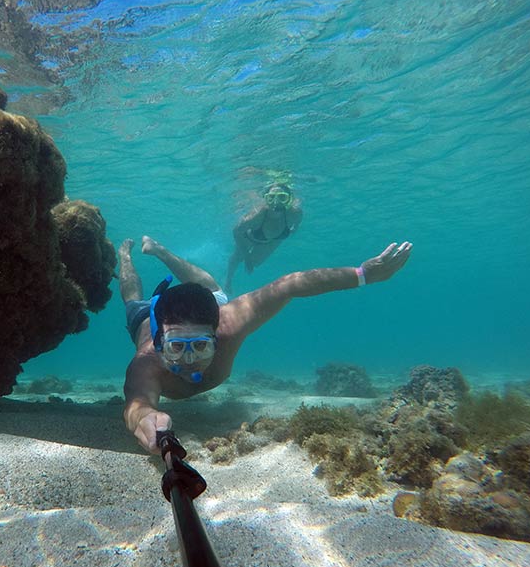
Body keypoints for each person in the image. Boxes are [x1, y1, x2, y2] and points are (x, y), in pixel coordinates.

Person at [119, 235, 412, 453]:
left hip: (210, 307)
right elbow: (137, 404)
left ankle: (161, 251)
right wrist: (145, 418)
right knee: (133, 299)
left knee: (212, 289)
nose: (189, 359)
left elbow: (289, 285)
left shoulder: (230, 324)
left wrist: (362, 275)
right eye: (176, 347)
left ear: (215, 335)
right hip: (146, 317)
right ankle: (124, 255)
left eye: (200, 346)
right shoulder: (146, 364)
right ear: (159, 344)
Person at [225, 180, 303, 295]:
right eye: (271, 198)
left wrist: (291, 232)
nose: (276, 203)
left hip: (273, 240)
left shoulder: (296, 213)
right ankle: (228, 282)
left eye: (282, 197)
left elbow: (296, 225)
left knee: (255, 263)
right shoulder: (258, 215)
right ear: (266, 199)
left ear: (289, 199)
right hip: (250, 237)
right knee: (238, 257)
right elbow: (236, 231)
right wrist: (246, 255)